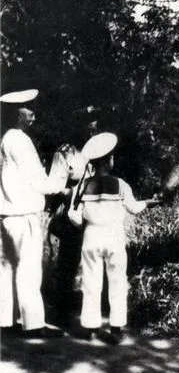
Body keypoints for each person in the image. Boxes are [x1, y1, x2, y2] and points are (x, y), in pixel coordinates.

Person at [68, 133, 154, 344]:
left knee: (91, 281)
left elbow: (74, 215)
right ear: (108, 161)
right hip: (114, 236)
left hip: (91, 236)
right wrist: (150, 202)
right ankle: (116, 327)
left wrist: (83, 225)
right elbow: (134, 208)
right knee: (117, 280)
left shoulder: (83, 185)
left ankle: (91, 327)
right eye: (112, 157)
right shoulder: (120, 184)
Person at [0, 89, 67, 338]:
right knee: (29, 268)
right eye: (30, 111)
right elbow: (40, 181)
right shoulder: (21, 141)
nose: (34, 116)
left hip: (7, 214)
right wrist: (62, 180)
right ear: (18, 114)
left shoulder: (5, 139)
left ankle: (6, 322)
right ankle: (33, 325)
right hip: (25, 213)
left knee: (7, 268)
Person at [47, 106, 100, 327]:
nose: (91, 133)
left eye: (94, 128)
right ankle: (61, 310)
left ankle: (87, 307)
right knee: (67, 261)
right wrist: (72, 191)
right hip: (68, 215)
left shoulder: (95, 151)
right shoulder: (64, 152)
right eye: (88, 127)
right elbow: (54, 185)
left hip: (89, 213)